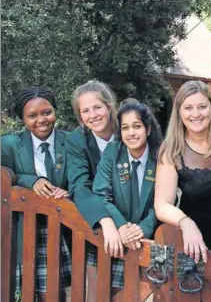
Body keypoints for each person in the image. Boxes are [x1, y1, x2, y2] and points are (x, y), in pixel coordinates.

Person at [154, 80, 211, 264]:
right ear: (179, 112)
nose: (195, 114)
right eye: (188, 108)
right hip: (194, 244)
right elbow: (162, 205)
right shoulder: (171, 149)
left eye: (202, 107)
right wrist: (186, 223)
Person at [1, 87, 72, 301]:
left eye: (46, 112)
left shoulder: (70, 141)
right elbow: (4, 175)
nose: (41, 119)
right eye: (32, 116)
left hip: (61, 228)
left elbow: (82, 177)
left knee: (53, 293)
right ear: (23, 119)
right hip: (22, 229)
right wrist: (31, 181)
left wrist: (71, 190)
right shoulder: (9, 144)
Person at [91, 101, 161, 298]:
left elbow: (165, 201)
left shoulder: (161, 155)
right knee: (115, 295)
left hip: (153, 238)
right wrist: (121, 226)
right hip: (119, 240)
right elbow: (100, 194)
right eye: (125, 128)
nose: (131, 133)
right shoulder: (113, 153)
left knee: (153, 294)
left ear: (147, 129)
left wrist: (143, 229)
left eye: (137, 126)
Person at [65, 80, 118, 301]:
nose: (93, 115)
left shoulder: (129, 129)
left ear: (109, 107)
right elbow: (79, 186)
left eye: (97, 107)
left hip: (134, 217)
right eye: (85, 111)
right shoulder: (76, 140)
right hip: (98, 221)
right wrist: (105, 220)